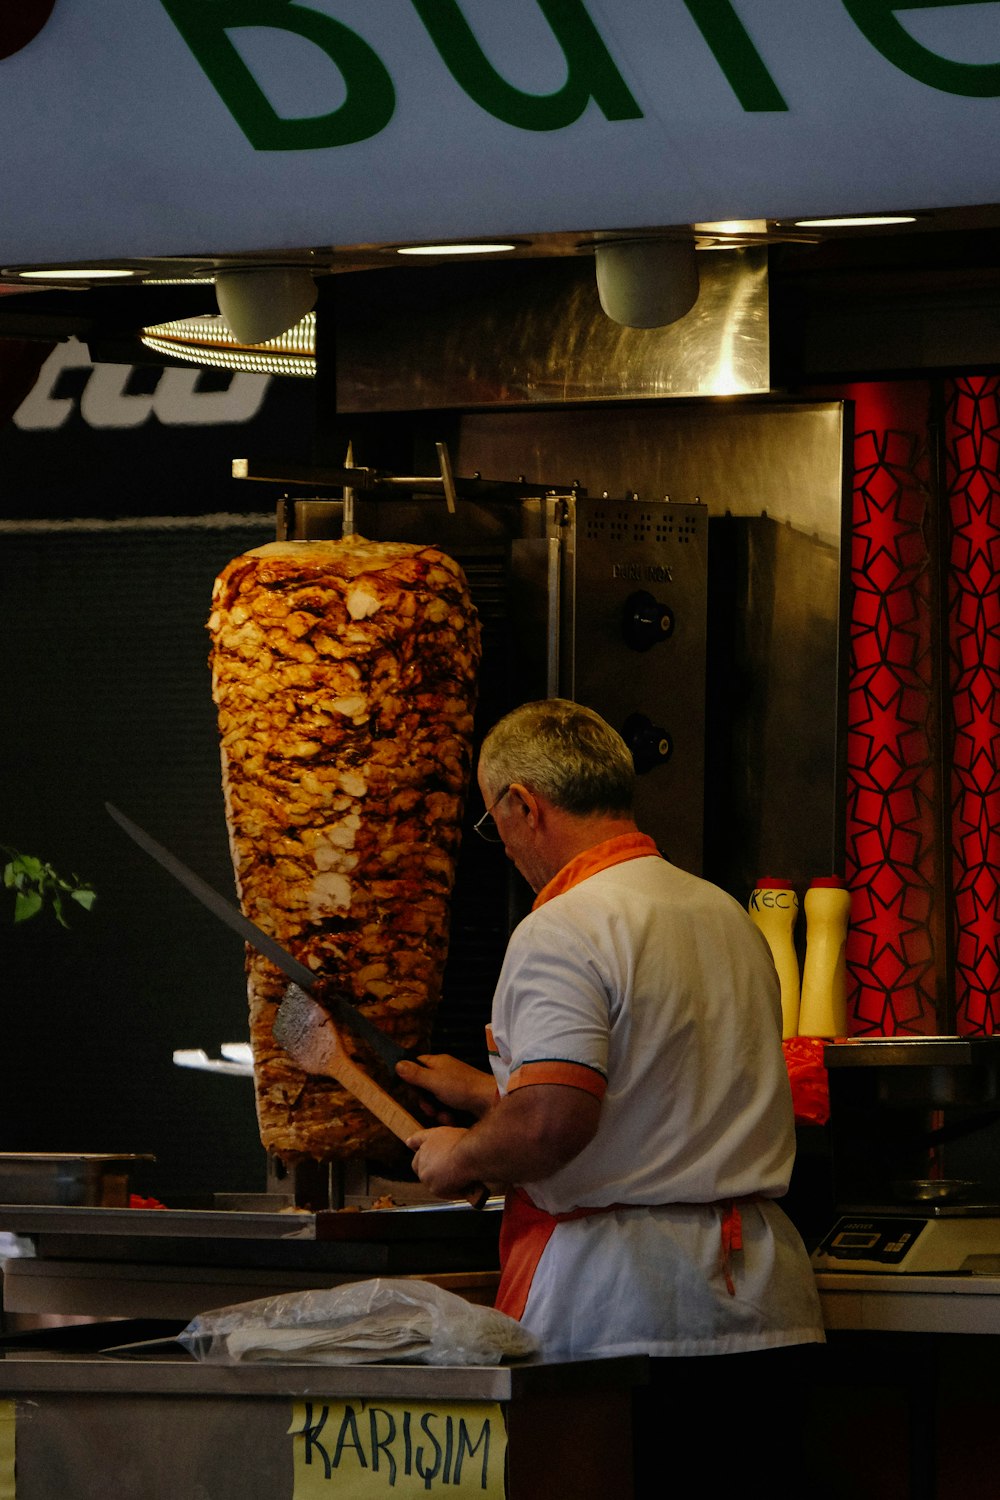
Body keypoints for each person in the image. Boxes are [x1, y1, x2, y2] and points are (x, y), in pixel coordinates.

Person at [397, 699, 824, 1489]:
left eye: (496, 824)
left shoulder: (564, 926)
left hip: (626, 1316)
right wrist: (491, 1094)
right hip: (764, 1306)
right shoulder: (723, 913)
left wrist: (462, 1154)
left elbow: (555, 1121)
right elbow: (662, 1094)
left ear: (523, 804)